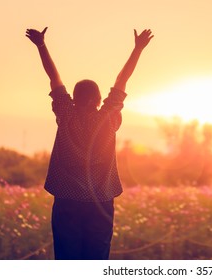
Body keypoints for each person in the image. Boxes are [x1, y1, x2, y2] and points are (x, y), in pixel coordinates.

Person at [26, 27, 153, 259]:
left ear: (73, 99)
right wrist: (137, 49)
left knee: (67, 258)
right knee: (96, 259)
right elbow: (121, 80)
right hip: (100, 201)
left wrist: (41, 46)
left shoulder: (66, 114)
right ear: (98, 99)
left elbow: (53, 78)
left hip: (66, 200)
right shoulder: (108, 117)